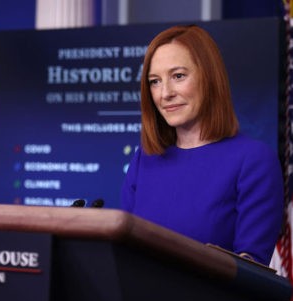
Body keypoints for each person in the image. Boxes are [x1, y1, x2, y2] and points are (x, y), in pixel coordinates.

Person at [120, 24, 283, 266]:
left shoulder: (254, 160)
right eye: (155, 81)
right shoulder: (144, 159)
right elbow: (123, 252)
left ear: (209, 78)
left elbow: (252, 273)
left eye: (178, 76)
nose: (165, 93)